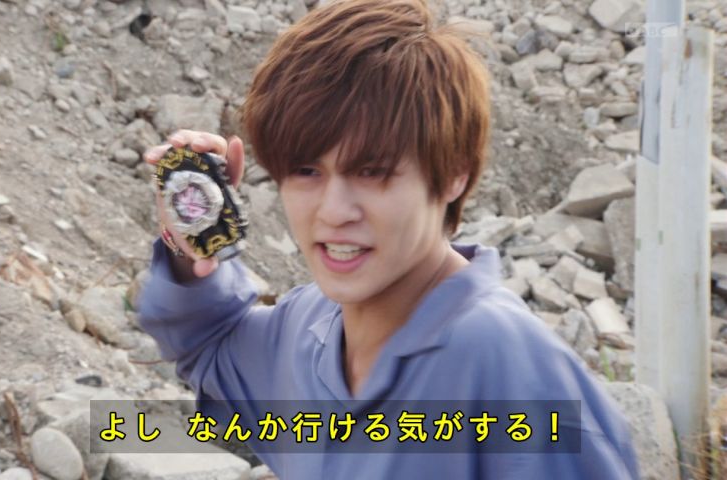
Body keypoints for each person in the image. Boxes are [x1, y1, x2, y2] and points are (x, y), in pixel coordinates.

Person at [138, 0, 639, 478]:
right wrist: (193, 247)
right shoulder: (310, 331)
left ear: (454, 174)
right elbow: (209, 347)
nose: (334, 212)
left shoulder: (509, 371)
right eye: (307, 170)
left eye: (372, 171)